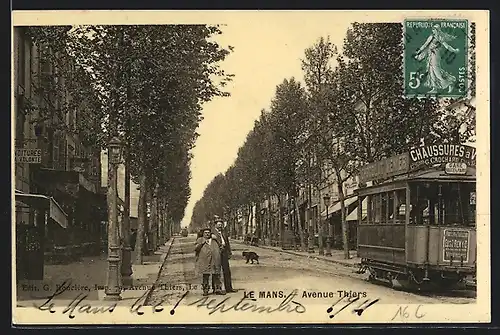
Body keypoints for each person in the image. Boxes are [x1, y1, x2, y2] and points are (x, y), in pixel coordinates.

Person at [414, 24, 460, 94]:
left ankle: (449, 83)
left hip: (435, 56)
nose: (433, 31)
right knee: (431, 71)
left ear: (438, 30)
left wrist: (454, 50)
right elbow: (425, 45)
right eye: (432, 29)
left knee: (436, 71)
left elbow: (447, 46)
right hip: (430, 55)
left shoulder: (440, 38)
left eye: (434, 29)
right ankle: (434, 88)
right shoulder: (431, 37)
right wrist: (419, 51)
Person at [194, 228, 224, 296]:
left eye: (208, 232)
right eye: (205, 232)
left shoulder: (214, 240)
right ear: (203, 233)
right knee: (206, 275)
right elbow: (196, 248)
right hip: (205, 261)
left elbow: (221, 246)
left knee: (216, 274)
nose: (207, 234)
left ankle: (217, 289)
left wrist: (218, 253)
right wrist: (202, 242)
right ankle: (205, 290)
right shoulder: (200, 240)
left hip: (215, 260)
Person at [212, 218, 237, 293]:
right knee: (216, 271)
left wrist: (229, 252)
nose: (220, 226)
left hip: (224, 253)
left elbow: (227, 243)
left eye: (221, 225)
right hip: (216, 254)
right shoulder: (212, 233)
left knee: (227, 271)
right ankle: (216, 289)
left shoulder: (223, 232)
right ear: (215, 225)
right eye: (219, 224)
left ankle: (229, 288)